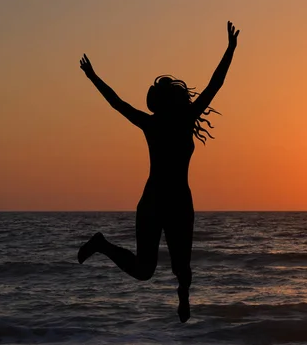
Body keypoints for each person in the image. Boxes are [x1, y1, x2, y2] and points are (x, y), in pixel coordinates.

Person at [77, 21, 240, 323]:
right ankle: (101, 244)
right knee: (144, 271)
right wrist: (93, 77)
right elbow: (117, 103)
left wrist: (230, 50)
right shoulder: (152, 123)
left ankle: (183, 295)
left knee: (183, 267)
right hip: (155, 202)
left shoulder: (183, 117)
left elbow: (215, 84)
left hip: (178, 202)